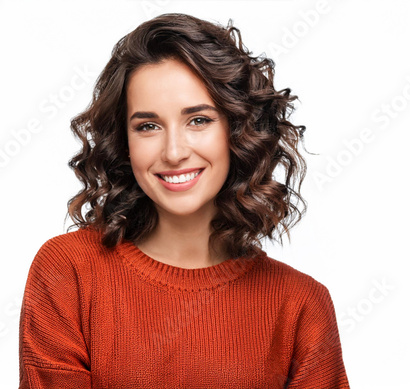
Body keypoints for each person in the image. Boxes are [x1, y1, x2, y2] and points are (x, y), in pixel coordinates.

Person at [18, 12, 350, 388]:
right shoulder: (68, 272)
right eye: (148, 126)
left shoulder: (301, 305)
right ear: (124, 144)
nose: (174, 152)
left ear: (237, 129)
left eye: (198, 120)